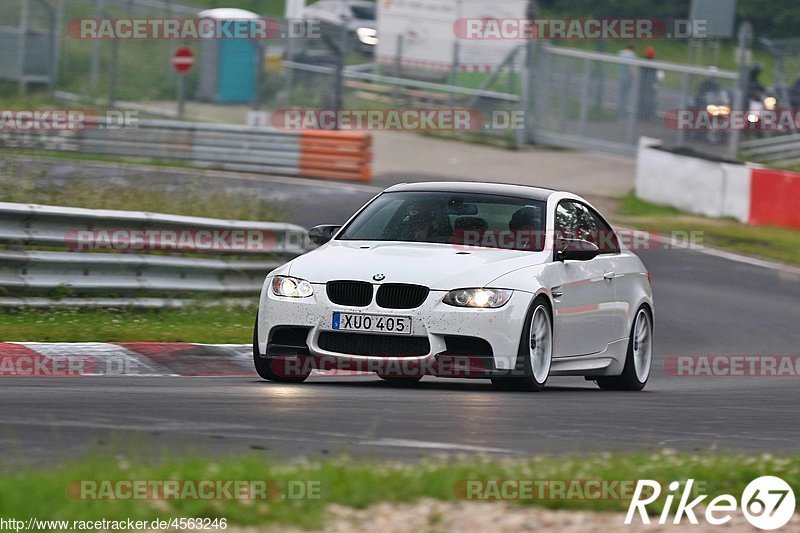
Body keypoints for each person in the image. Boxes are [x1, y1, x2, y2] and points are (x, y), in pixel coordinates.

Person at [638, 46, 658, 120]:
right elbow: (655, 76)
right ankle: (647, 115)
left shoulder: (643, 62)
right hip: (649, 85)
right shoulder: (654, 63)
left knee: (642, 99)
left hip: (643, 84)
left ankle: (642, 114)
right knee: (649, 99)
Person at [617, 44, 636, 118]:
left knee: (621, 95)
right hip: (628, 78)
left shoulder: (621, 53)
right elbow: (632, 67)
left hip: (621, 76)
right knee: (625, 95)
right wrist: (635, 76)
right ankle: (622, 112)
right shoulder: (632, 55)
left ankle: (619, 111)